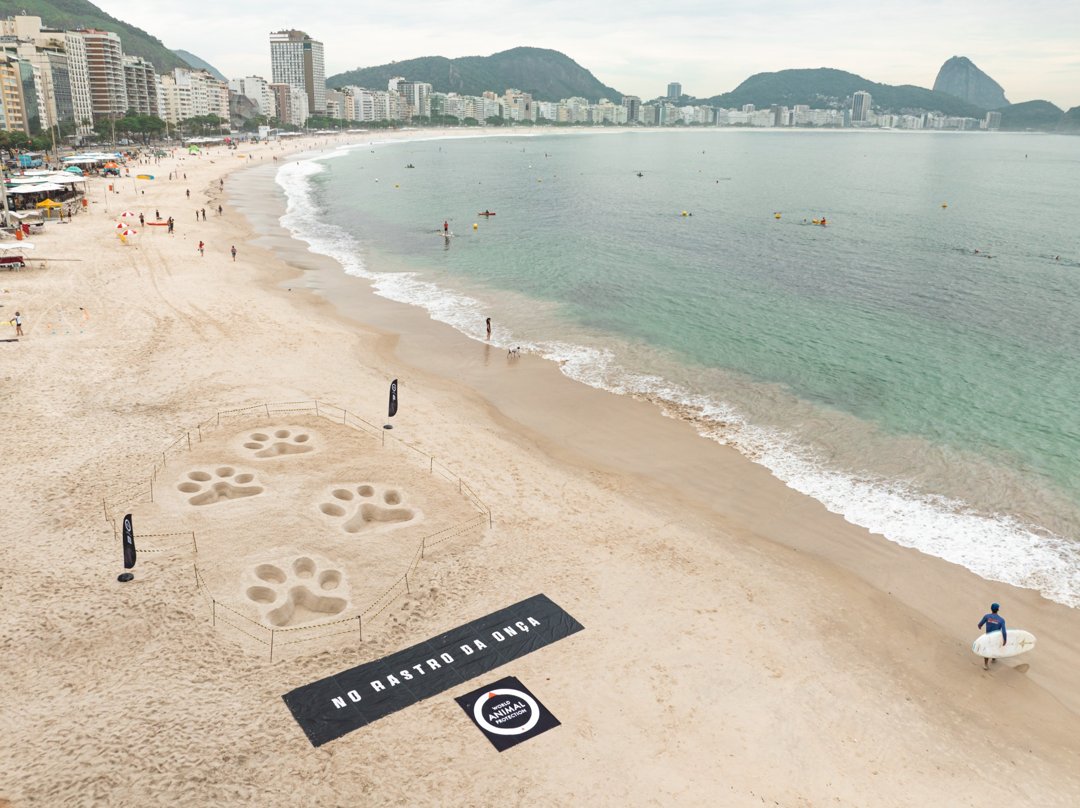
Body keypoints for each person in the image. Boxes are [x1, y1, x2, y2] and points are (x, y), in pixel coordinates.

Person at [977, 603, 1007, 670]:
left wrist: (980, 626)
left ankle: (985, 665)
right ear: (998, 609)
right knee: (995, 647)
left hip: (988, 637)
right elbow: (1004, 631)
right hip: (996, 637)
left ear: (991, 609)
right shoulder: (1001, 620)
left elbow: (980, 624)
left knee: (987, 650)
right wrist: (1005, 640)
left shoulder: (987, 616)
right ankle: (993, 658)